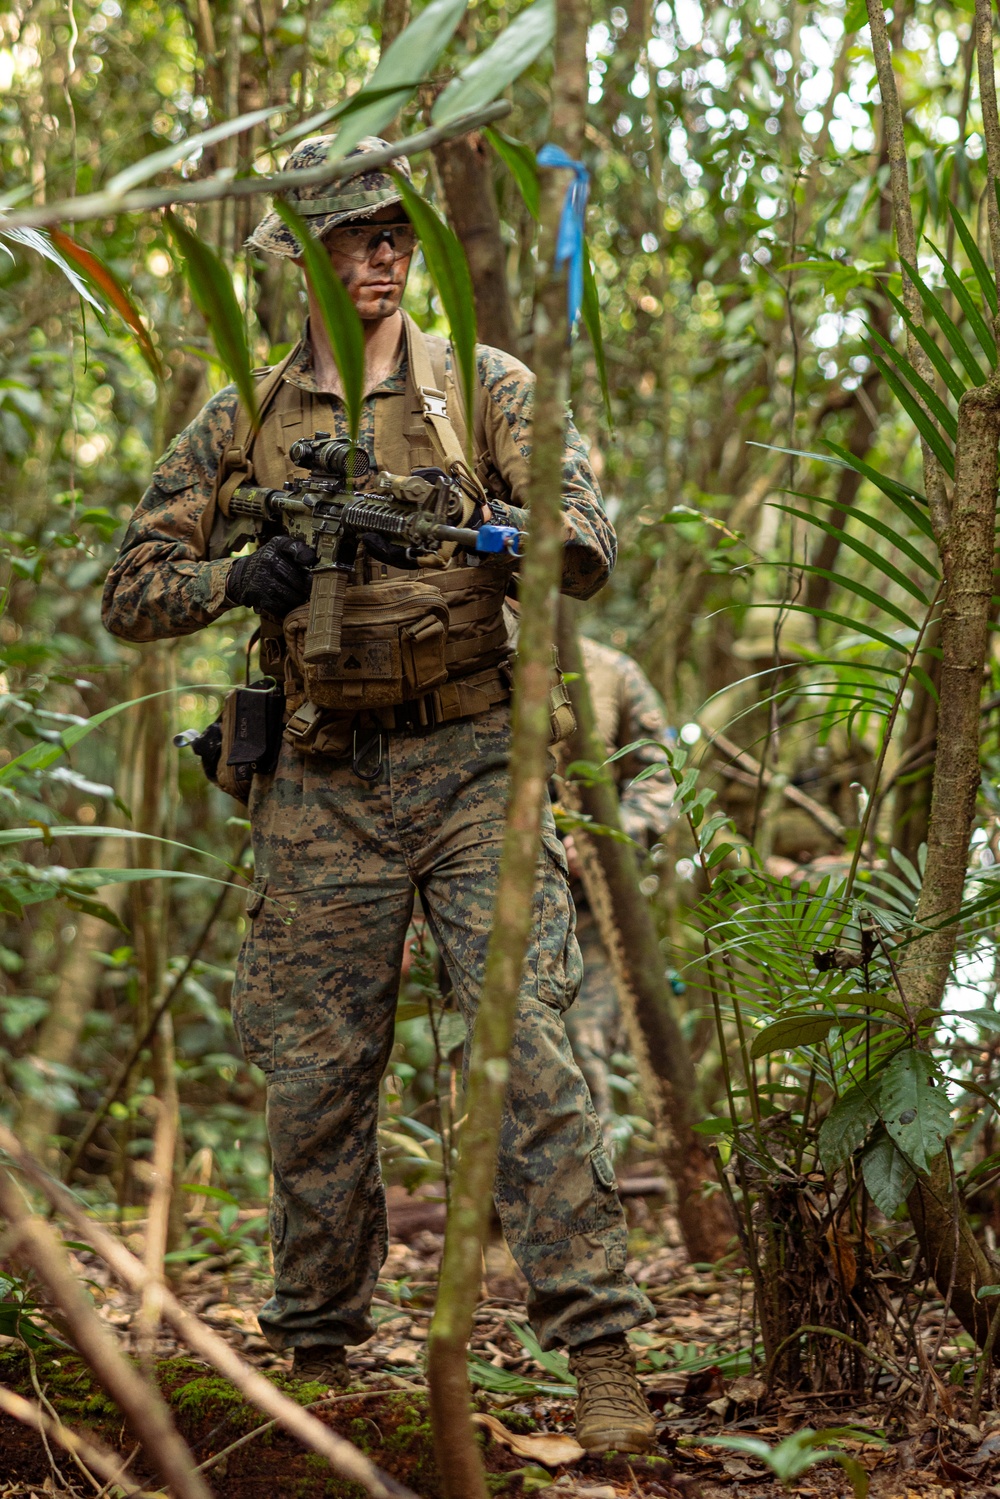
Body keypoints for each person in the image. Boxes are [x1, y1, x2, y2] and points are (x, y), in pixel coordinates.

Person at [102, 134, 657, 1454]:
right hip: (320, 775)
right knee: (313, 1077)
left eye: (394, 233)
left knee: (532, 1058)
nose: (382, 254)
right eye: (352, 236)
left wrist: (515, 537)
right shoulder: (244, 412)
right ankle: (320, 1356)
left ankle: (602, 1355)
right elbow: (133, 589)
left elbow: (589, 541)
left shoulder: (491, 386)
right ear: (304, 253)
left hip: (474, 757)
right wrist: (244, 577)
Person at [559, 639, 676, 1154]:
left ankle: (586, 1207)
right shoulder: (461, 651)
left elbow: (659, 779)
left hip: (586, 906)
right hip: (482, 902)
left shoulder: (610, 671)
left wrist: (601, 840)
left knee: (581, 1053)